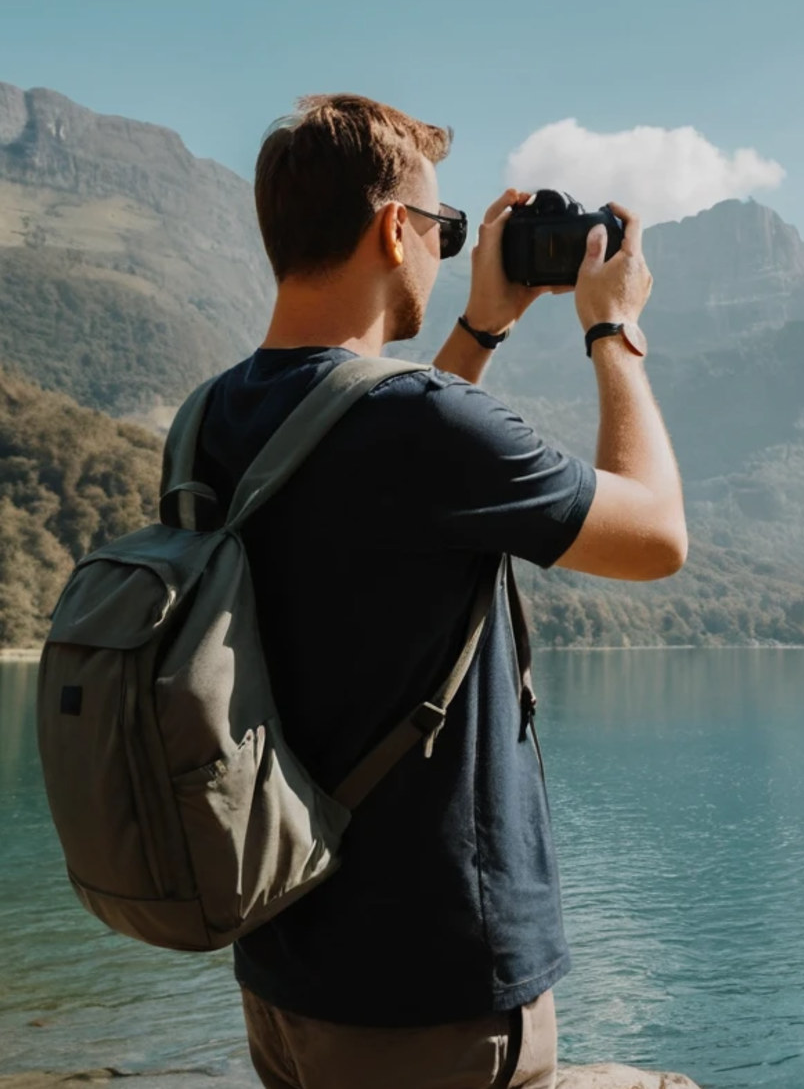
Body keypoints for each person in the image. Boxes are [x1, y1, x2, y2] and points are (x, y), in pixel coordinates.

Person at [192, 94, 687, 1089]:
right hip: (430, 990)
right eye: (443, 229)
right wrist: (614, 331)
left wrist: (481, 327)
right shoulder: (422, 426)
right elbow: (655, 538)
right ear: (393, 230)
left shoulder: (211, 417)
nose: (445, 249)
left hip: (282, 969)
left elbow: (381, 450)